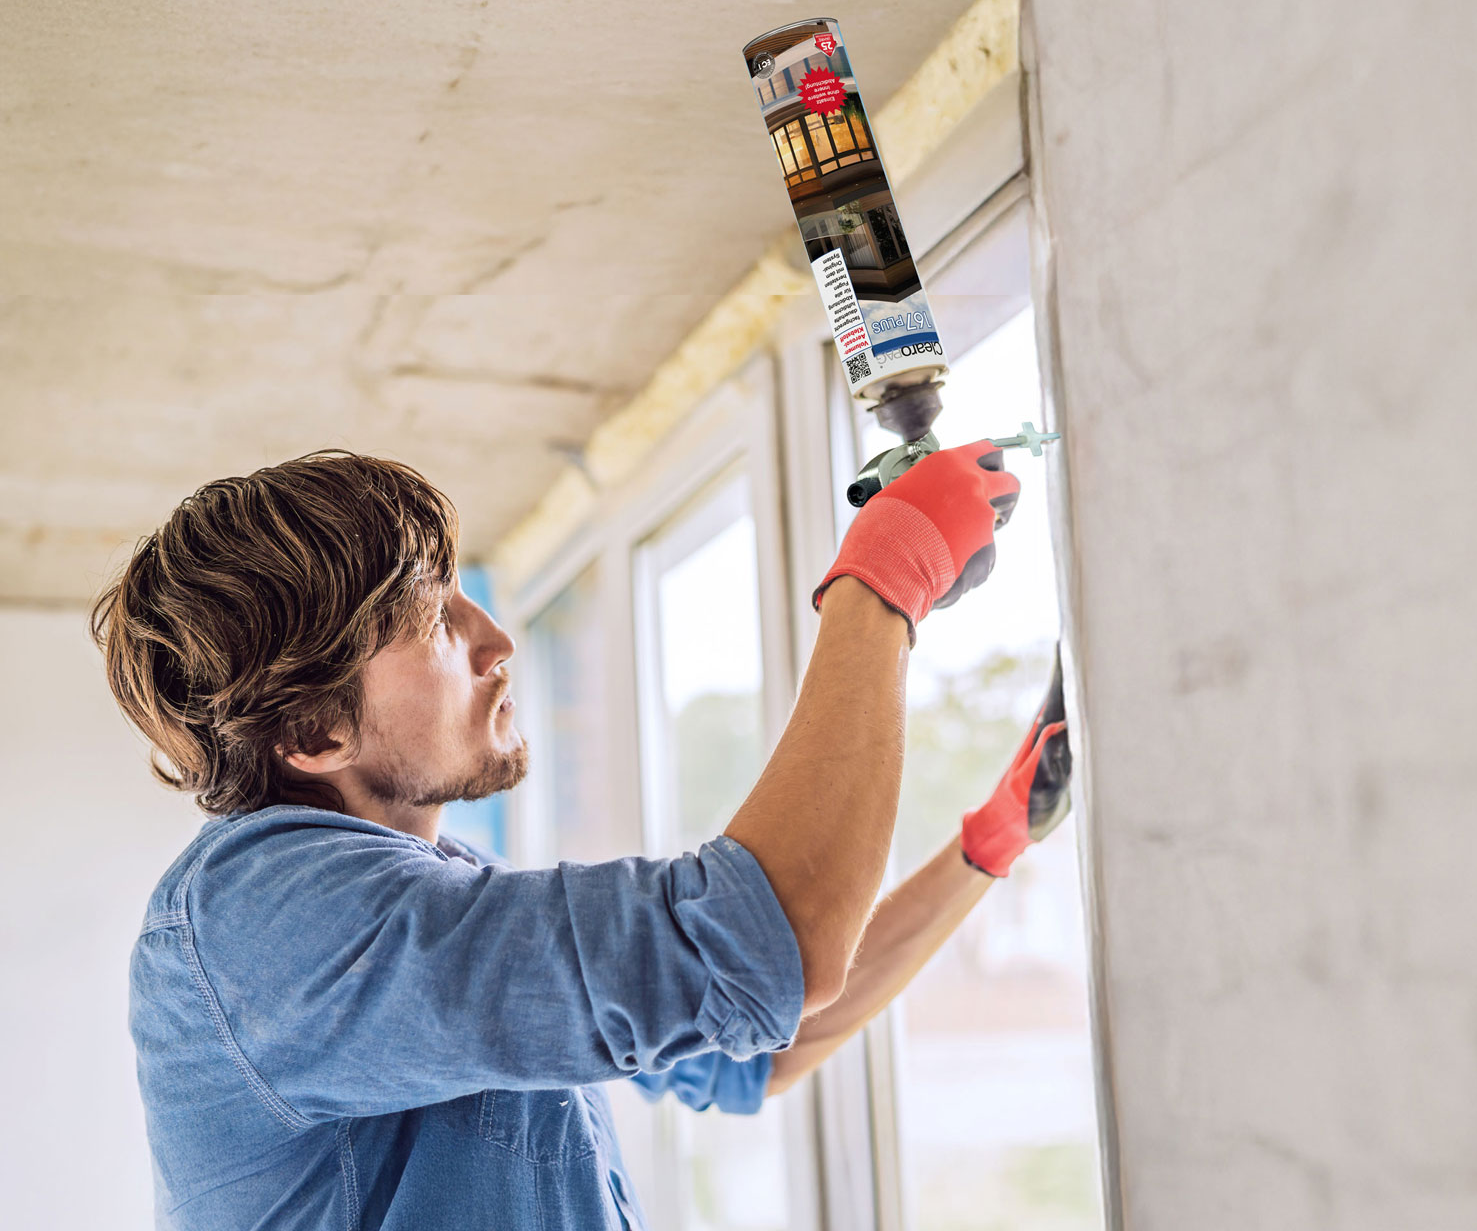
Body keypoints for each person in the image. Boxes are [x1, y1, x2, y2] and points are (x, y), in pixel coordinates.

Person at [93, 447, 1073, 1231]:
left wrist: (993, 838)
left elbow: (762, 1042)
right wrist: (886, 571)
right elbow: (774, 936)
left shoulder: (443, 895)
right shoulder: (263, 922)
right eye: (434, 620)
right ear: (313, 732)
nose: (497, 640)